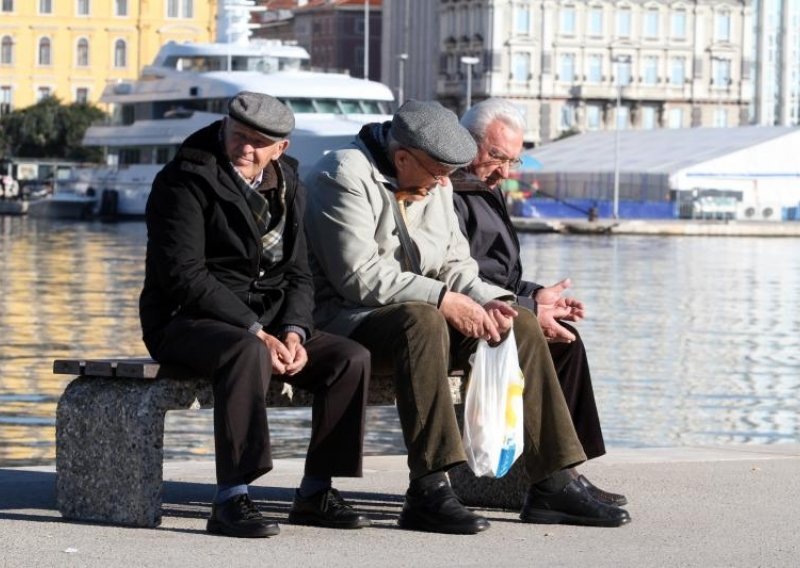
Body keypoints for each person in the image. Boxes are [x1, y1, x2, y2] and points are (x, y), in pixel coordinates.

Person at [303, 100, 630, 535]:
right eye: (438, 174)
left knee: (520, 323)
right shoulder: (342, 175)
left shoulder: (433, 179)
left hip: (422, 313)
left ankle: (553, 481)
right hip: (348, 319)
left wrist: (494, 302)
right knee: (423, 320)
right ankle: (430, 488)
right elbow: (359, 278)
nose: (444, 185)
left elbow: (457, 264)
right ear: (402, 158)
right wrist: (445, 299)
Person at [140, 91, 371, 538]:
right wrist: (256, 331)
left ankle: (316, 491)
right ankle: (232, 497)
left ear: (280, 148)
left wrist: (294, 331)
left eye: (258, 141)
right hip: (184, 319)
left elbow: (300, 274)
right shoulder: (183, 179)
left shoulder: (290, 184)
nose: (245, 147)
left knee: (350, 359)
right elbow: (184, 275)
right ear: (225, 127)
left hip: (265, 322)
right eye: (238, 134)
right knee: (247, 352)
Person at [453, 97, 626, 507]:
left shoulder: (484, 187)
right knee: (542, 334)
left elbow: (501, 274)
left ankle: (566, 471)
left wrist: (538, 295)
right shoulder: (452, 192)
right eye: (497, 157)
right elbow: (463, 275)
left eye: (513, 161)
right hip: (470, 311)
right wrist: (530, 306)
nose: (505, 171)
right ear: (465, 142)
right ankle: (556, 477)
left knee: (567, 340)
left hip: (500, 302)